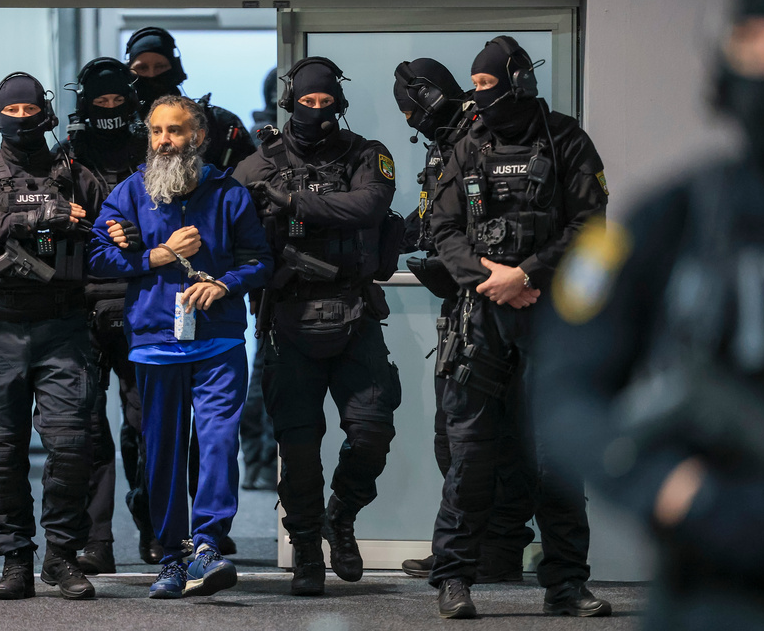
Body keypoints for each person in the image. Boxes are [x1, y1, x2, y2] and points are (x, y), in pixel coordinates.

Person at [534, 0, 764, 630]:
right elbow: (565, 394)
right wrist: (672, 490)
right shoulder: (669, 220)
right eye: (755, 45)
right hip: (712, 586)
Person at [428, 37, 611, 619]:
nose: (479, 95)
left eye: (488, 85)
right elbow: (442, 228)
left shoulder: (566, 139)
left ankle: (566, 584)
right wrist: (494, 279)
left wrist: (528, 273)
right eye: (475, 85)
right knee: (469, 454)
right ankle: (454, 579)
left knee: (558, 454)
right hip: (481, 317)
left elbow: (591, 225)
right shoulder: (468, 144)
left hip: (550, 314)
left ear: (519, 82)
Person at [86, 95, 272, 600]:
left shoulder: (228, 194)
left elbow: (259, 261)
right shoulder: (130, 193)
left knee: (218, 443)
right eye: (156, 131)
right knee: (162, 453)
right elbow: (97, 257)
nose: (164, 141)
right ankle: (171, 556)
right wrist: (158, 255)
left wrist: (226, 284)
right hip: (154, 343)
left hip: (218, 341)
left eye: (175, 130)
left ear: (199, 137)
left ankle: (207, 545)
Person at [234, 57, 403, 596]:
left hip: (355, 314)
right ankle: (306, 545)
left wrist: (294, 202)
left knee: (372, 434)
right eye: (306, 102)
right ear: (290, 103)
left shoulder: (367, 154)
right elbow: (227, 226)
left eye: (326, 101)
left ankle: (342, 515)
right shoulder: (257, 164)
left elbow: (369, 205)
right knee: (299, 449)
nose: (316, 110)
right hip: (289, 320)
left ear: (339, 103)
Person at [0, 72, 103, 600]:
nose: (20, 120)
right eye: (10, 112)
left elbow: (107, 234)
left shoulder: (76, 174)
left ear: (45, 113)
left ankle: (61, 557)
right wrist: (37, 216)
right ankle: (15, 559)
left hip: (65, 328)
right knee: (1, 451)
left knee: (72, 446)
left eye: (28, 111)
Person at [392, 58, 530, 583]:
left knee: (503, 438)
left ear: (430, 97)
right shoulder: (446, 144)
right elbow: (436, 217)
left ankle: (500, 548)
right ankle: (460, 545)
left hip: (506, 303)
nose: (411, 122)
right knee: (451, 437)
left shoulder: (482, 136)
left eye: (412, 111)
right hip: (462, 307)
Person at [52, 57, 163, 572]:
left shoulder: (154, 154)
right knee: (87, 430)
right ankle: (96, 540)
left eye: (119, 100)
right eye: (101, 102)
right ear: (85, 104)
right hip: (81, 305)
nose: (111, 109)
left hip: (145, 300)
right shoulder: (65, 157)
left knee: (147, 426)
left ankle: (154, 528)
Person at [125, 26, 255, 170]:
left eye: (160, 66)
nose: (151, 74)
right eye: (142, 68)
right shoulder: (120, 127)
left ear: (176, 69)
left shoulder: (218, 124)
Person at [241, 66, 280, 492]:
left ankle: (259, 464)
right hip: (267, 269)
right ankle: (262, 464)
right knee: (267, 371)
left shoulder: (256, 140)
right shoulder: (263, 142)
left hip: (262, 268)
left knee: (263, 371)